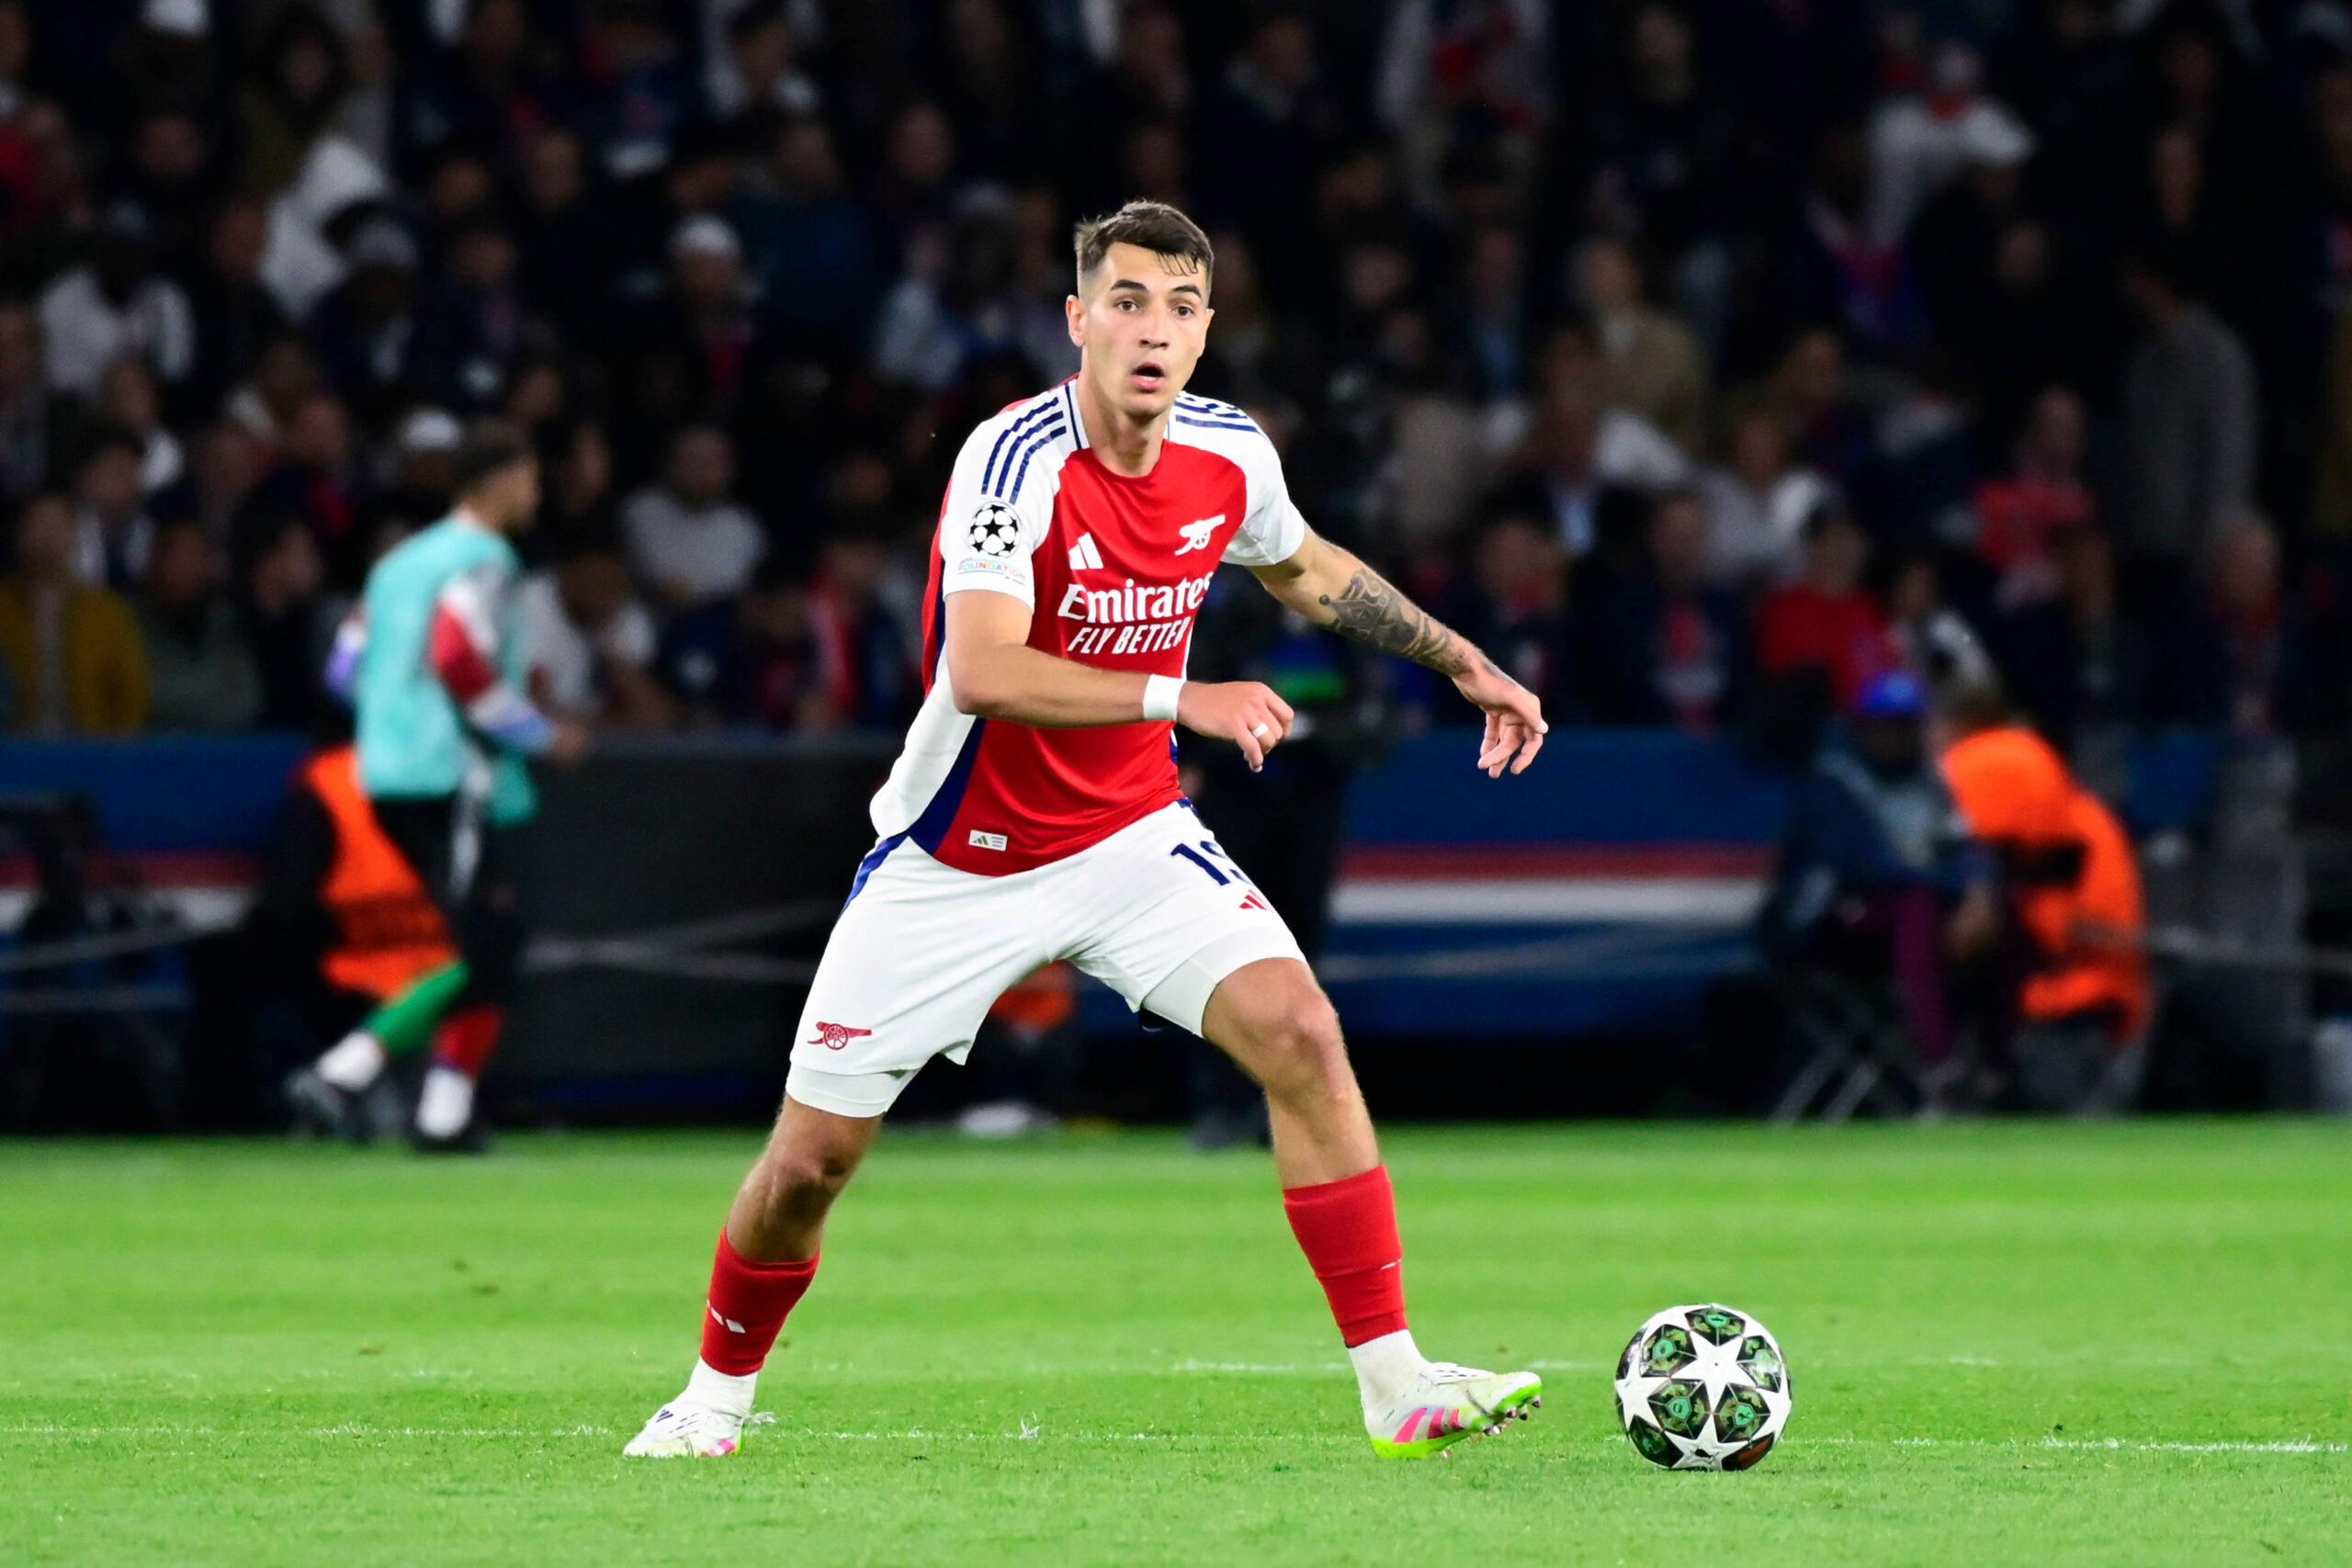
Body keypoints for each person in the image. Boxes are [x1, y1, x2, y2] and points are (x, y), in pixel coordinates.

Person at [624, 201, 1550, 1462]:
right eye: (1125, 300)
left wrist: (1463, 660)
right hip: (958, 860)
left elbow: (1311, 569)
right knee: (809, 1167)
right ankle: (711, 1399)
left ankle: (1395, 1381)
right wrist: (1188, 695)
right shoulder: (1012, 462)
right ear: (1077, 320)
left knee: (1299, 1029)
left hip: (1129, 838)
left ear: (1208, 330)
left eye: (1178, 305)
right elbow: (985, 667)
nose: (1151, 328)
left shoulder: (1231, 452)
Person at [293, 422, 588, 1150]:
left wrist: (390, 722)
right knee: (473, 947)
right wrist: (538, 733)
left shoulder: (398, 565)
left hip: (385, 771)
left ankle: (443, 1115)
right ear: (500, 481)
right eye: (530, 478)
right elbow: (456, 654)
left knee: (489, 937)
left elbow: (343, 669)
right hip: (451, 771)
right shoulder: (484, 558)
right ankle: (344, 1071)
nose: (537, 493)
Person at [0, 491, 146, 733]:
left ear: (74, 533)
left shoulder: (106, 611)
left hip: (89, 753)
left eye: (57, 524)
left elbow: (131, 693)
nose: (48, 535)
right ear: (19, 532)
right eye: (38, 523)